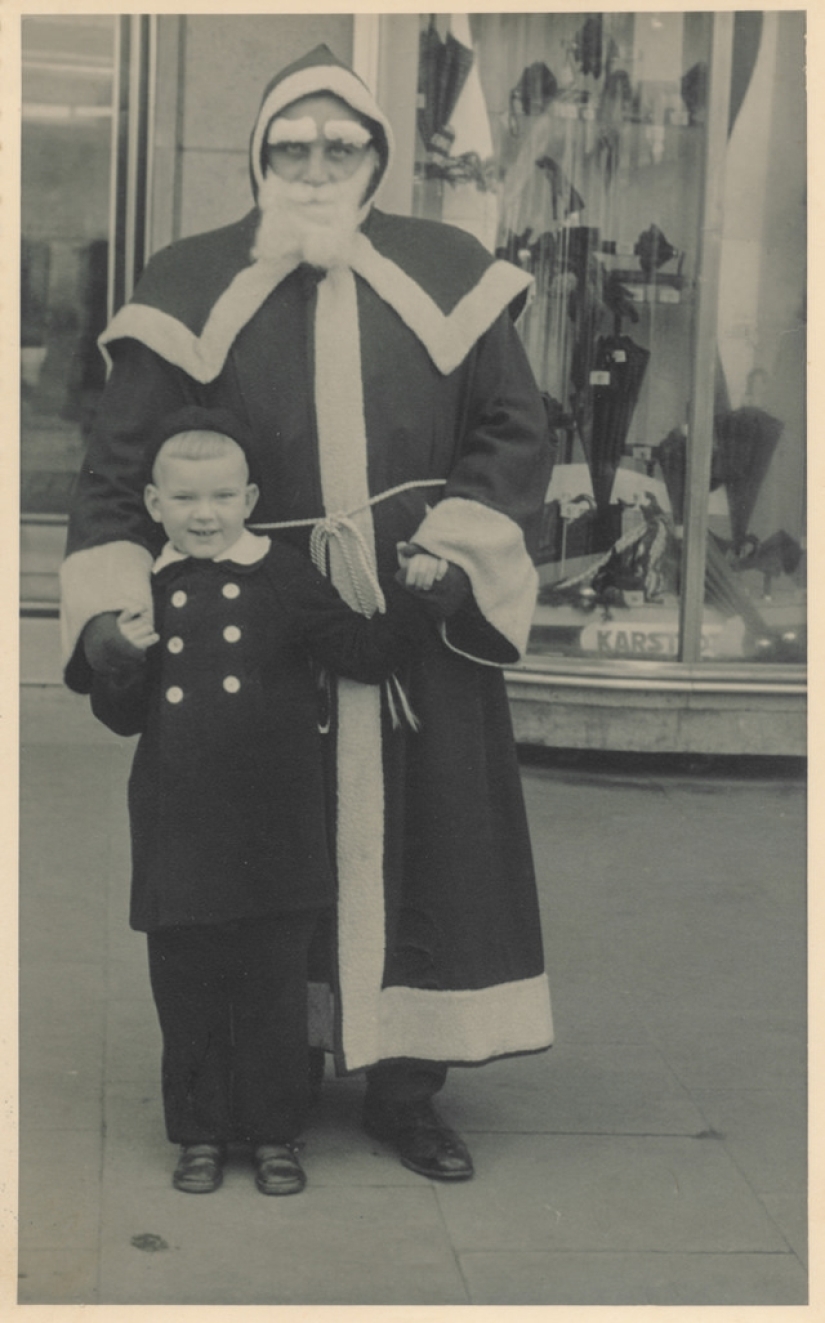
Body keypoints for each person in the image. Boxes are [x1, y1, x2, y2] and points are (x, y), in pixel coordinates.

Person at [61, 43, 555, 1183]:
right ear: (259, 157)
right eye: (294, 147)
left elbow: (512, 428)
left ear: (377, 156)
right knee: (263, 857)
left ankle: (407, 1088)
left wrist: (453, 549)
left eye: (342, 146)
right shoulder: (190, 281)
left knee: (430, 846)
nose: (318, 166)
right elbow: (118, 469)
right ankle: (263, 1083)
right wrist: (108, 616)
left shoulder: (449, 269)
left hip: (413, 611)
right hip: (257, 615)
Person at [87, 405, 447, 1196]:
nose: (204, 514)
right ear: (153, 505)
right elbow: (121, 717)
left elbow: (360, 652)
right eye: (185, 499)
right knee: (186, 990)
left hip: (275, 831)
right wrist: (121, 658)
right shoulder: (147, 587)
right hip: (178, 829)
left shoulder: (281, 574)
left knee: (272, 990)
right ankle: (199, 1133)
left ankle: (276, 1133)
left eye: (222, 496)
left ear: (249, 499)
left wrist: (419, 593)